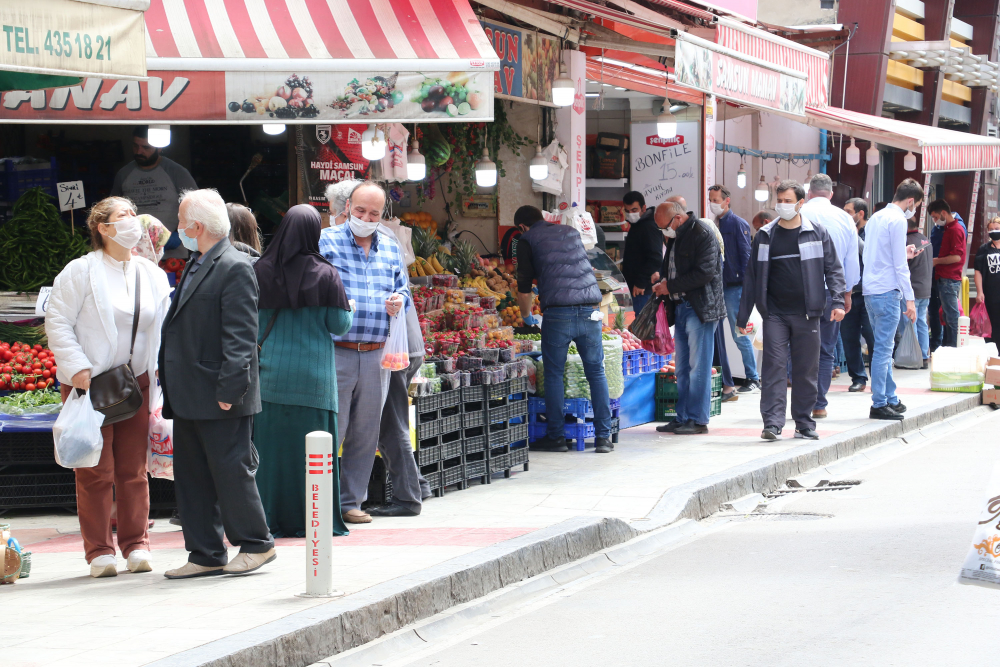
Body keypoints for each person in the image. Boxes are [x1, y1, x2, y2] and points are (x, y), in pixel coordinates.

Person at [45, 197, 172, 578]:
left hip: (137, 383)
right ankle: (99, 551)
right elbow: (58, 322)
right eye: (123, 216)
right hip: (91, 384)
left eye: (134, 215)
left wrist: (161, 372)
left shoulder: (150, 273)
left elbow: (163, 326)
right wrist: (78, 369)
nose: (133, 221)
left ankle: (137, 544)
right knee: (95, 469)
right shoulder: (80, 271)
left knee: (134, 469)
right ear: (102, 227)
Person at [160, 189, 276, 579]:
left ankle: (256, 543)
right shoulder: (197, 261)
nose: (178, 228)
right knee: (192, 475)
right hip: (190, 390)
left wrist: (230, 391)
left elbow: (241, 336)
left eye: (181, 221)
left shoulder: (234, 265)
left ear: (196, 226)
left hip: (220, 391)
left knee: (230, 470)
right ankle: (205, 552)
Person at [252, 205, 354, 537]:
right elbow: (338, 324)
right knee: (314, 458)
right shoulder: (325, 274)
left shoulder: (258, 270)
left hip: (269, 379)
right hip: (314, 381)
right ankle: (314, 520)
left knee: (269, 455)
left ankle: (268, 519)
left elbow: (249, 325)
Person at [320, 181, 410, 523]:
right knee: (333, 428)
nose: (366, 218)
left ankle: (350, 502)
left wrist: (400, 299)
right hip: (337, 348)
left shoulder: (390, 246)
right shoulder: (326, 242)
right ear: (346, 208)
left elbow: (403, 287)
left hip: (378, 352)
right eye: (360, 211)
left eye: (374, 213)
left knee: (365, 430)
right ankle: (323, 501)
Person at [737, 181, 845, 441]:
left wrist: (838, 301)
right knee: (773, 368)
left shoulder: (816, 232)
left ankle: (804, 422)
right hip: (774, 314)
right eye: (780, 200)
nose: (783, 205)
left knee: (806, 369)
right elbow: (751, 278)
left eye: (788, 200)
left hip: (808, 313)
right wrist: (743, 316)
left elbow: (833, 268)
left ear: (800, 203)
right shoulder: (765, 235)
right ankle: (772, 423)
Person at [514, 205, 612, 452]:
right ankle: (603, 438)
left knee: (554, 373)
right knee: (596, 372)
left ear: (522, 227)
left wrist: (527, 317)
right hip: (591, 307)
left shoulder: (525, 240)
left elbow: (524, 286)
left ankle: (556, 437)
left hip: (559, 311)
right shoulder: (570, 232)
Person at [651, 200, 725, 435]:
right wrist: (664, 282)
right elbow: (672, 266)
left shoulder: (702, 233)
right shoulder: (676, 235)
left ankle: (698, 419)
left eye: (665, 227)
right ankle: (682, 417)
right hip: (681, 307)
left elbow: (704, 273)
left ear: (678, 218)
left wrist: (669, 286)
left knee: (699, 368)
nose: (664, 232)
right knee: (682, 368)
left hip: (700, 308)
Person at [862, 178, 923, 421]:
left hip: (870, 289)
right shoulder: (898, 220)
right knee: (884, 351)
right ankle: (879, 402)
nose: (914, 210)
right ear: (910, 200)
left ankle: (890, 397)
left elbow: (874, 253)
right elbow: (899, 266)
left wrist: (904, 254)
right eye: (916, 205)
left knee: (882, 348)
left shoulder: (877, 216)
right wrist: (910, 298)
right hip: (888, 291)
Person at [799, 174, 860, 420]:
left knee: (799, 348)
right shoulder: (845, 218)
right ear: (831, 194)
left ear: (809, 193)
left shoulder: (799, 214)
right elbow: (851, 263)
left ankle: (801, 402)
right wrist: (847, 293)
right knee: (825, 348)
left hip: (799, 291)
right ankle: (819, 403)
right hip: (831, 292)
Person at [368, 304, 434, 516]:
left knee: (391, 424)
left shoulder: (381, 269)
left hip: (395, 349)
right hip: (405, 345)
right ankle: (417, 486)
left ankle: (407, 497)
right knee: (392, 421)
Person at [111, 126, 197, 258]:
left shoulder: (177, 172)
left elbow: (197, 207)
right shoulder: (124, 174)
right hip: (135, 253)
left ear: (160, 147)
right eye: (135, 146)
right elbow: (111, 211)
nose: (139, 151)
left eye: (145, 148)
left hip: (173, 256)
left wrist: (181, 235)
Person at [709, 185, 759, 394]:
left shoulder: (738, 224)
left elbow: (746, 257)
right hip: (718, 287)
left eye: (716, 199)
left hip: (734, 288)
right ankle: (730, 376)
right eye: (710, 199)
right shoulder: (714, 224)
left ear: (726, 200)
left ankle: (752, 378)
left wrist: (747, 288)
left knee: (739, 333)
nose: (713, 203)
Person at [928, 199, 968, 348]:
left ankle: (955, 348)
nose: (935, 220)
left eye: (935, 217)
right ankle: (949, 345)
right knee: (946, 315)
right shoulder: (947, 229)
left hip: (949, 278)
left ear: (943, 213)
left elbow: (957, 256)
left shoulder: (956, 229)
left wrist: (936, 261)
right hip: (943, 277)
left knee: (951, 316)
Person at [840, 231, 875, 392]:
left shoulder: (869, 234)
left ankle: (878, 378)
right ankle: (858, 378)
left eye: (849, 212)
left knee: (872, 336)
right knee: (849, 338)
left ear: (860, 214)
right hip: (847, 295)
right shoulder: (841, 237)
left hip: (867, 294)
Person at [620, 191, 662, 315]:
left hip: (642, 290)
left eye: (634, 210)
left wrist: (641, 282)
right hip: (635, 287)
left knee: (642, 329)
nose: (631, 214)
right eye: (627, 211)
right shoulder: (637, 224)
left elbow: (655, 258)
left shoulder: (648, 227)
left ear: (643, 208)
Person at [902, 213, 933, 366]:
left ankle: (914, 357)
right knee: (921, 321)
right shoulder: (926, 240)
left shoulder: (906, 241)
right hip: (925, 288)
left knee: (911, 322)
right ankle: (924, 355)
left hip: (912, 289)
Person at [974, 216, 1000, 345]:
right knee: (991, 325)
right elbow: (978, 271)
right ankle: (993, 354)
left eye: (997, 228)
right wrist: (979, 292)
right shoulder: (984, 249)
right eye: (991, 229)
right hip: (991, 294)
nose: (994, 231)